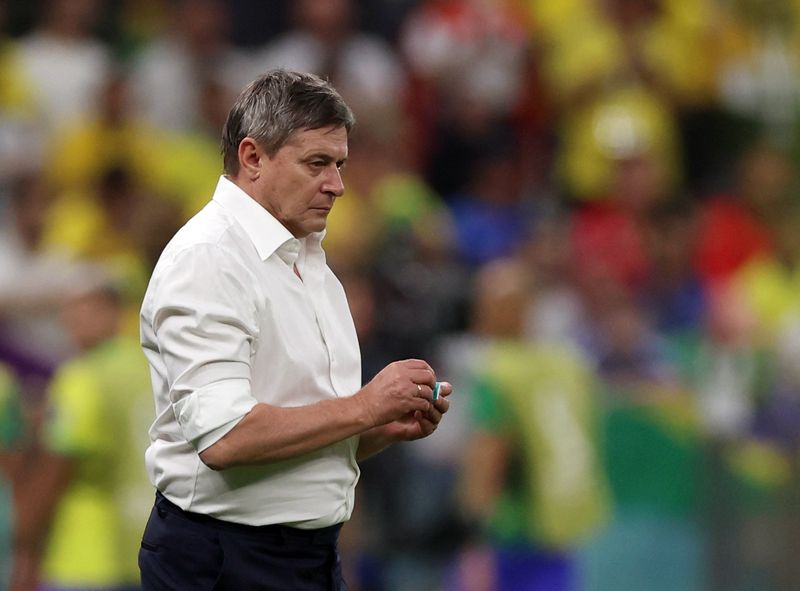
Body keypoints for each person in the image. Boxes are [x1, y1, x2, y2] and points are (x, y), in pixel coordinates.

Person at [137, 69, 452, 590]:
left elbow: (302, 424)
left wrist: (375, 430)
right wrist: (365, 407)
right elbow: (225, 438)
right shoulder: (209, 259)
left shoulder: (307, 257)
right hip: (224, 559)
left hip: (307, 558)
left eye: (340, 164)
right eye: (317, 163)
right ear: (253, 157)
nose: (338, 185)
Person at [12, 273, 153, 591]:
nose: (71, 319)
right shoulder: (149, 368)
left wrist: (24, 544)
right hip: (145, 543)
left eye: (84, 308)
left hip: (85, 555)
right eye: (67, 309)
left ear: (114, 311)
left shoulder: (81, 377)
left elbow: (56, 467)